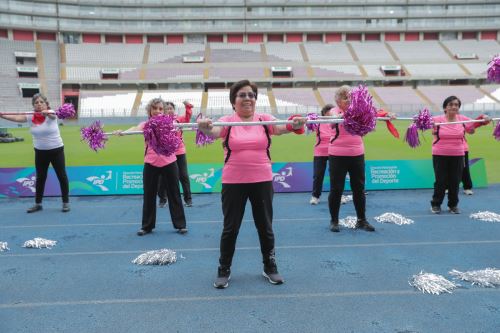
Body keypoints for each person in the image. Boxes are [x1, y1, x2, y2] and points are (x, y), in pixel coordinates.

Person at [197, 79, 306, 289]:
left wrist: (295, 124)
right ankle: (224, 269)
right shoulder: (228, 121)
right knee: (230, 229)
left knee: (265, 227)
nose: (248, 98)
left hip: (262, 181)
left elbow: (284, 127)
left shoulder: (264, 119)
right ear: (233, 101)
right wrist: (204, 127)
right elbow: (213, 131)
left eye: (251, 95)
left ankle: (270, 266)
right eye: (242, 95)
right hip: (233, 182)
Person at [116, 98, 187, 235]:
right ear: (150, 110)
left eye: (160, 109)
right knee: (149, 195)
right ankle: (147, 226)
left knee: (174, 194)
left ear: (165, 111)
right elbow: (135, 129)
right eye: (155, 108)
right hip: (151, 163)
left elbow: (183, 127)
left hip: (170, 162)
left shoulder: (171, 123)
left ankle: (180, 224)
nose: (157, 111)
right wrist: (123, 132)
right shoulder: (145, 124)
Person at [0, 93, 70, 213]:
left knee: (62, 176)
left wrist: (47, 113)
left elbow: (53, 116)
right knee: (40, 178)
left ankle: (65, 203)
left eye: (41, 102)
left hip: (56, 150)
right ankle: (38, 204)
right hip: (40, 152)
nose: (39, 104)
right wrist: (2, 115)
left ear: (46, 104)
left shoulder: (51, 113)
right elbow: (17, 118)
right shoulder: (30, 115)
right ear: (33, 105)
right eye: (36, 103)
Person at [328, 86, 375, 233]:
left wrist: (386, 115)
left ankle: (361, 220)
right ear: (338, 101)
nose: (348, 100)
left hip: (357, 154)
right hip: (337, 154)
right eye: (344, 97)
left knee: (359, 189)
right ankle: (334, 220)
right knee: (337, 189)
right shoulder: (335, 111)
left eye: (350, 97)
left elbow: (371, 115)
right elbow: (334, 118)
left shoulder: (360, 110)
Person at [430, 96, 489, 214]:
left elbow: (474, 126)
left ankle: (453, 205)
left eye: (456, 105)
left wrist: (484, 118)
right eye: (451, 104)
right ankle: (436, 204)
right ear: (445, 107)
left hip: (458, 154)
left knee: (455, 181)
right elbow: (420, 124)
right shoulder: (436, 119)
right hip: (439, 154)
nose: (454, 107)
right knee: (440, 181)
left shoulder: (463, 119)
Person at [158, 101, 193, 207]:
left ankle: (188, 199)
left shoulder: (179, 119)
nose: (169, 110)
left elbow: (187, 117)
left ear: (174, 109)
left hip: (180, 151)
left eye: (171, 108)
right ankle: (163, 199)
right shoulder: (160, 120)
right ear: (164, 110)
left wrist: (187, 107)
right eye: (167, 108)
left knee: (183, 176)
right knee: (163, 177)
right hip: (166, 152)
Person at [310, 104, 334, 205]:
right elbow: (308, 122)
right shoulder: (317, 121)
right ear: (325, 113)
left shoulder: (336, 121)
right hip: (320, 152)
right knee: (318, 175)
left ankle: (337, 196)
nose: (333, 112)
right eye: (331, 111)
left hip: (334, 151)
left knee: (336, 176)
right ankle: (315, 197)